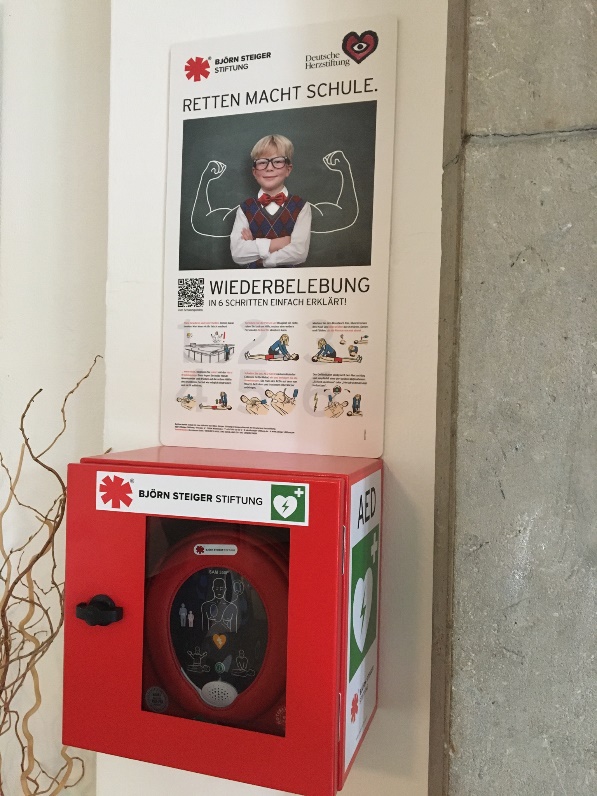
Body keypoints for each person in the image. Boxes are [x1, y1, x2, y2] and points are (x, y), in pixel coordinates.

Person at [230, 135, 312, 268]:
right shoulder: (245, 208)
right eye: (262, 162)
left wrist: (259, 256)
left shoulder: (301, 207)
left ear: (288, 169)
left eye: (278, 161)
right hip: (253, 280)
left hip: (289, 280)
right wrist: (278, 243)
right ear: (254, 172)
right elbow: (238, 253)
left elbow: (299, 253)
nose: (269, 168)